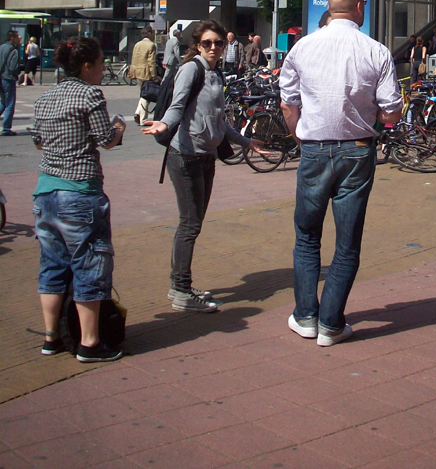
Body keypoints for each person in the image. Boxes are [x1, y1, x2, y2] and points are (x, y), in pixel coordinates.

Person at [280, 0, 402, 346]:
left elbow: (288, 102)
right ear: (360, 8)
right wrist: (375, 117)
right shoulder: (375, 50)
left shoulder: (302, 47)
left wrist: (300, 136)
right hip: (357, 151)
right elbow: (392, 109)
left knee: (306, 238)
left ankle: (305, 316)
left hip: (315, 149)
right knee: (347, 244)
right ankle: (331, 323)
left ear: (330, 9)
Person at [142, 20, 268, 312]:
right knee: (189, 224)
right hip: (185, 156)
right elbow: (177, 105)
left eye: (219, 43)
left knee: (193, 224)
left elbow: (219, 120)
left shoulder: (215, 75)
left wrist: (245, 141)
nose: (214, 48)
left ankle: (180, 286)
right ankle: (181, 290)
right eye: (208, 43)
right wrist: (164, 124)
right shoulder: (192, 69)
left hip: (205, 157)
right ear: (198, 45)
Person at [29, 36, 126, 362]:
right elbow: (105, 140)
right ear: (86, 66)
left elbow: (39, 142)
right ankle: (89, 343)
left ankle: (51, 337)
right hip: (79, 193)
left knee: (52, 267)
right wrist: (120, 129)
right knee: (89, 265)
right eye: (100, 64)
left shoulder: (46, 97)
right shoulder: (90, 95)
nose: (103, 70)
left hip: (45, 193)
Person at [129, 27, 157, 125]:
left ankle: (138, 113)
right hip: (146, 72)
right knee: (146, 95)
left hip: (137, 71)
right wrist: (154, 75)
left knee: (143, 93)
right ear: (149, 34)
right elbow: (151, 61)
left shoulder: (137, 44)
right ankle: (143, 119)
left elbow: (134, 58)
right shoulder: (151, 45)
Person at [0, 30, 22, 136]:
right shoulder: (14, 51)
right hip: (8, 78)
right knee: (9, 103)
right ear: (12, 38)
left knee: (3, 102)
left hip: (0, 77)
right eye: (17, 37)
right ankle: (6, 128)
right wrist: (17, 73)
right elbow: (13, 67)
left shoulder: (1, 47)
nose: (19, 39)